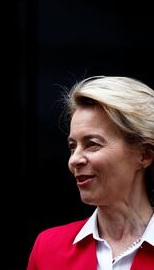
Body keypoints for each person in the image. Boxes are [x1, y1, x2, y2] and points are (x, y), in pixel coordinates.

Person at [27, 76, 154, 269]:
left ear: (144, 155)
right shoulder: (47, 249)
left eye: (92, 144)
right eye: (72, 146)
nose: (74, 160)